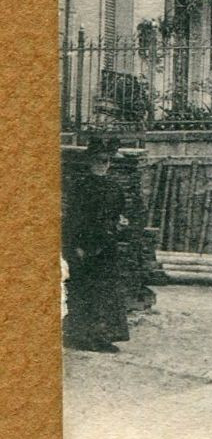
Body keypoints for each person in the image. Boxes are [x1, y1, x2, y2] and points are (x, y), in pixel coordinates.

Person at [62, 136, 131, 352]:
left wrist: (122, 223)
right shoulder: (80, 187)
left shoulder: (114, 189)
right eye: (100, 160)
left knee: (105, 291)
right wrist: (76, 247)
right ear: (90, 160)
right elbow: (73, 219)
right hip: (83, 246)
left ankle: (101, 337)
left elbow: (121, 214)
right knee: (83, 291)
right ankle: (78, 336)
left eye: (108, 161)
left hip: (106, 245)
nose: (104, 165)